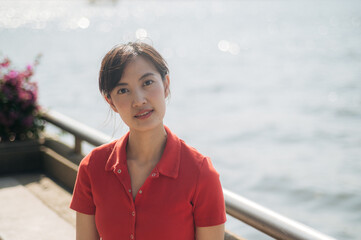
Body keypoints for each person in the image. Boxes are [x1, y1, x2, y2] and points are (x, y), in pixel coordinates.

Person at [70, 42, 226, 240]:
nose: (139, 100)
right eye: (123, 90)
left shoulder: (200, 172)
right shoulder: (92, 166)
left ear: (166, 85)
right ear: (111, 102)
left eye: (147, 83)